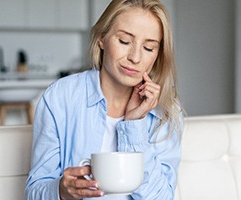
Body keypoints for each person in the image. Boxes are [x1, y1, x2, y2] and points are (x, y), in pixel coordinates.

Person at [25, 0, 183, 199]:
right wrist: (62, 191)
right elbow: (35, 191)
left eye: (149, 48)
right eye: (124, 41)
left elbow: (162, 198)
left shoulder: (166, 110)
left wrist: (134, 125)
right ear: (102, 38)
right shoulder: (61, 97)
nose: (135, 57)